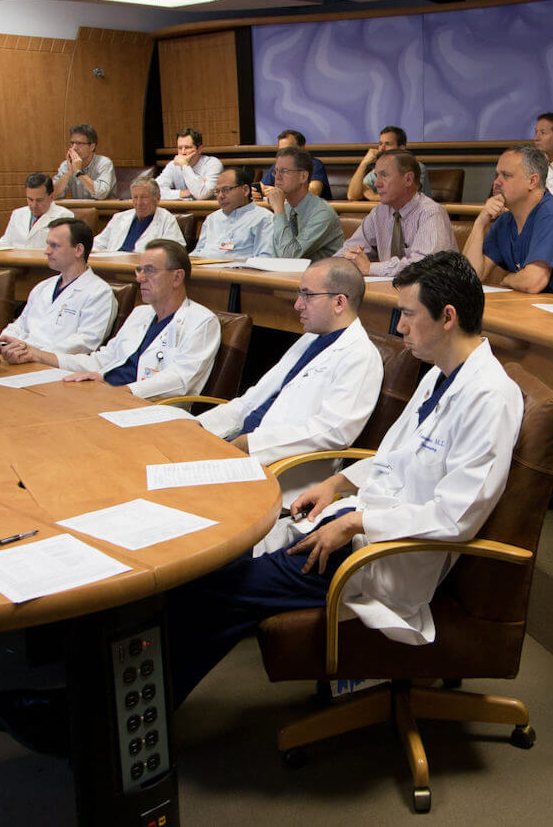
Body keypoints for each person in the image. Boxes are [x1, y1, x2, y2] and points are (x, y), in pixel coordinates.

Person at [165, 250, 524, 709]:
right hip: (355, 528)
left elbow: (456, 518)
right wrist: (339, 485)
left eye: (409, 315)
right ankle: (145, 700)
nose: (399, 328)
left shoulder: (490, 397)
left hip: (384, 558)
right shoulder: (441, 378)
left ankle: (136, 716)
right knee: (218, 578)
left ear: (448, 317)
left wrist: (358, 522)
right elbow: (392, 458)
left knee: (217, 591)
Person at [197, 258, 383, 510]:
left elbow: (333, 431)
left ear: (339, 302)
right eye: (299, 294)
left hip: (279, 471)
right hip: (238, 449)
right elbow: (253, 400)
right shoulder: (310, 339)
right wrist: (201, 425)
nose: (297, 305)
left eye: (307, 295)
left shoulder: (360, 356)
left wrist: (251, 443)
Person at [9, 240, 219, 401]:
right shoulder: (140, 314)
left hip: (147, 406)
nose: (140, 278)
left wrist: (119, 391)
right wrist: (40, 356)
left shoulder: (202, 321)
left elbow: (181, 380)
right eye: (139, 269)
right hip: (105, 396)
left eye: (150, 271)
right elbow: (101, 361)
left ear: (177, 277)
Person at [462, 144, 553, 293]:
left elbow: (533, 282)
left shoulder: (552, 215)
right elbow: (469, 277)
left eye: (506, 175)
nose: (496, 182)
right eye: (496, 175)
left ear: (532, 181)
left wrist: (508, 278)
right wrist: (479, 223)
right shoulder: (505, 222)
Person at [0, 218, 116, 359]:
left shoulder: (99, 293)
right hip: (23, 357)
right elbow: (20, 325)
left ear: (78, 250)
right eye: (47, 245)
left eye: (54, 246)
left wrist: (36, 353)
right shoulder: (43, 287)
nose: (47, 251)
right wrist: (5, 342)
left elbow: (85, 342)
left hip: (55, 365)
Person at [337, 150, 455, 277]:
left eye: (384, 175)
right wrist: (342, 260)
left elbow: (425, 267)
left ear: (408, 179)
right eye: (376, 176)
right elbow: (350, 249)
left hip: (434, 293)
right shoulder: (380, 211)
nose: (377, 184)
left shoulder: (431, 213)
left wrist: (371, 268)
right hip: (390, 291)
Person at [255, 145, 345, 260]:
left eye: (284, 171)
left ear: (303, 176)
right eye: (276, 171)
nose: (277, 177)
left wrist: (278, 210)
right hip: (290, 274)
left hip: (323, 275)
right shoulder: (287, 209)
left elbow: (289, 256)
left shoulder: (322, 213)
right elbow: (273, 252)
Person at [192, 167, 272, 259]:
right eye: (217, 191)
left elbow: (264, 259)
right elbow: (198, 253)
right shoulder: (212, 218)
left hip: (239, 271)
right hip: (204, 270)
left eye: (226, 189)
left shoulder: (264, 218)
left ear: (245, 190)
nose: (221, 196)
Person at [95, 173, 182, 253]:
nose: (139, 203)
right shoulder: (119, 217)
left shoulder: (167, 219)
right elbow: (97, 244)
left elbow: (175, 251)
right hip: (113, 264)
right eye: (135, 197)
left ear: (157, 198)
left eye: (144, 197)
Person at [347, 125, 431, 201]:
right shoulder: (379, 169)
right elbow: (352, 196)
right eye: (380, 144)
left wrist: (373, 196)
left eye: (388, 144)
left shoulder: (417, 167)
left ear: (401, 148)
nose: (382, 148)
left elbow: (403, 196)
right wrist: (364, 163)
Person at [0, 173, 74, 250]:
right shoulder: (17, 214)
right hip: (17, 261)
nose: (33, 205)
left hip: (45, 262)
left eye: (39, 200)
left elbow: (65, 250)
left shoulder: (64, 216)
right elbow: (4, 243)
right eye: (30, 199)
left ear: (51, 197)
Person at [156, 127, 223, 200]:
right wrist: (185, 192)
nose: (183, 152)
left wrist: (185, 166)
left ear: (199, 149)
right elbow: (155, 192)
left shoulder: (213, 164)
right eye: (180, 148)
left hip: (207, 210)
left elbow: (201, 195)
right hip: (182, 210)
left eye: (187, 148)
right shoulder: (173, 165)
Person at [52, 122, 114, 201]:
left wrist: (78, 172)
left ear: (92, 147)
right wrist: (68, 173)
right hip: (78, 211)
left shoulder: (104, 163)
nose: (74, 148)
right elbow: (53, 194)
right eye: (72, 143)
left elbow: (101, 194)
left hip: (104, 211)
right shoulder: (66, 165)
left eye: (78, 143)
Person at [258, 129, 329, 197]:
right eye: (281, 151)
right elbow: (262, 186)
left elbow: (314, 191)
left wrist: (282, 192)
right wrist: (257, 192)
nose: (284, 154)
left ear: (302, 148)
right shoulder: (278, 166)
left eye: (288, 150)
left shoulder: (315, 164)